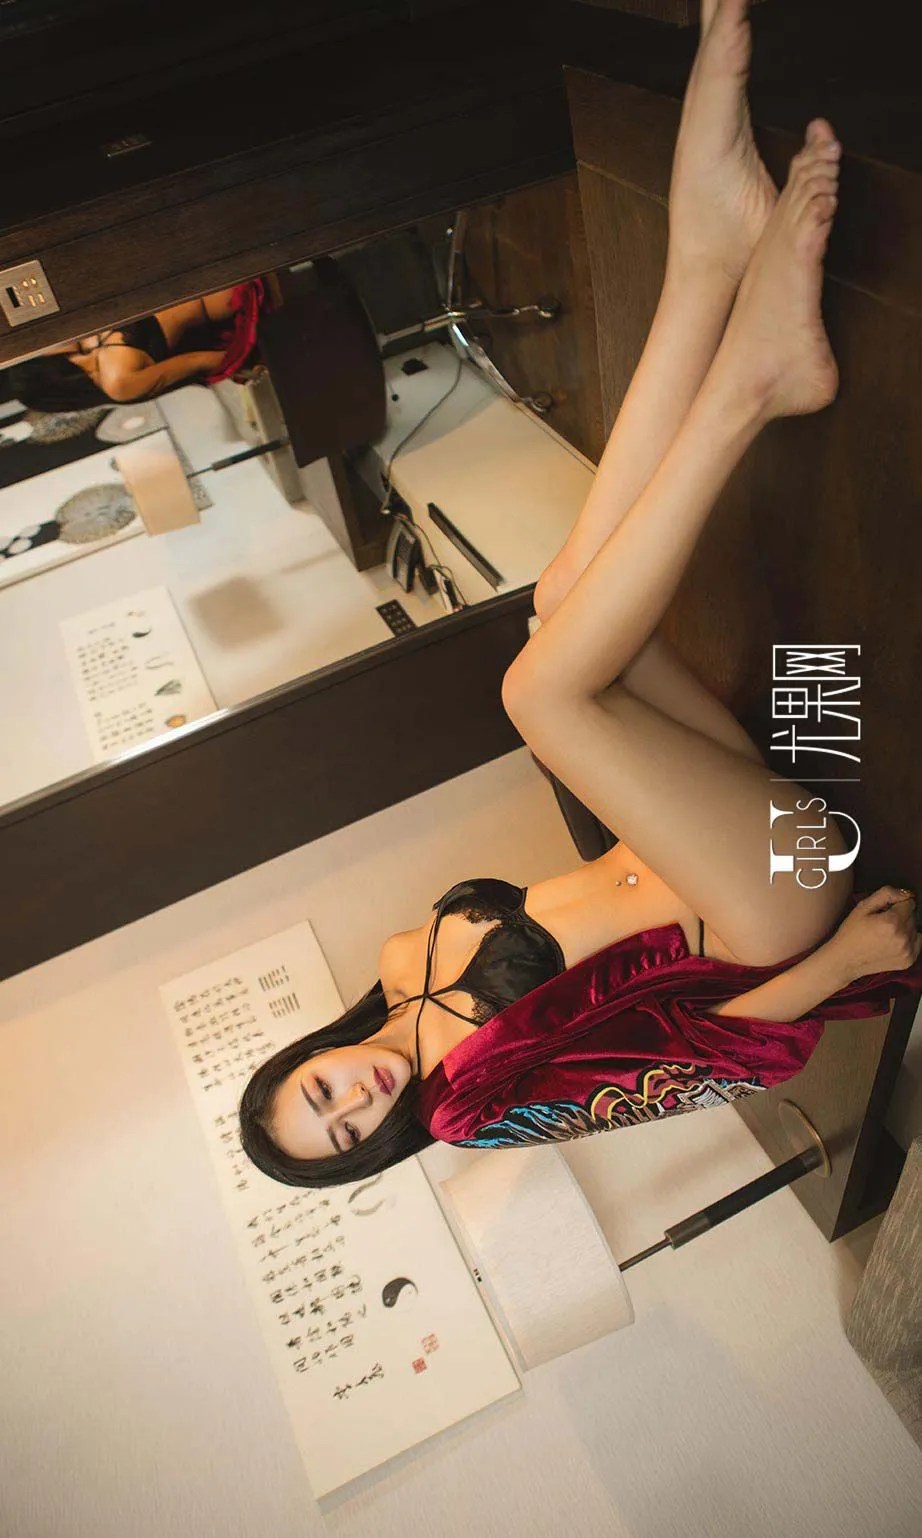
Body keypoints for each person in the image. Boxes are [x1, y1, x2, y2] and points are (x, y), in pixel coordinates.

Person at [239, 0, 922, 1186]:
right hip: (772, 899)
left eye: (319, 1091)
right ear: (375, 1148)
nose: (356, 1100)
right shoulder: (467, 1110)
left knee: (559, 608)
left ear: (309, 1056)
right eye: (347, 1132)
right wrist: (844, 965)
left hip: (715, 827)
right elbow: (687, 1065)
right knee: (536, 691)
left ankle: (705, 261)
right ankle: (753, 376)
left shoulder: (398, 965)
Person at [2, 280, 266, 411]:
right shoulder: (90, 336)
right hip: (212, 283)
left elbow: (203, 361)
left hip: (220, 296)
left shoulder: (118, 384)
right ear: (48, 370)